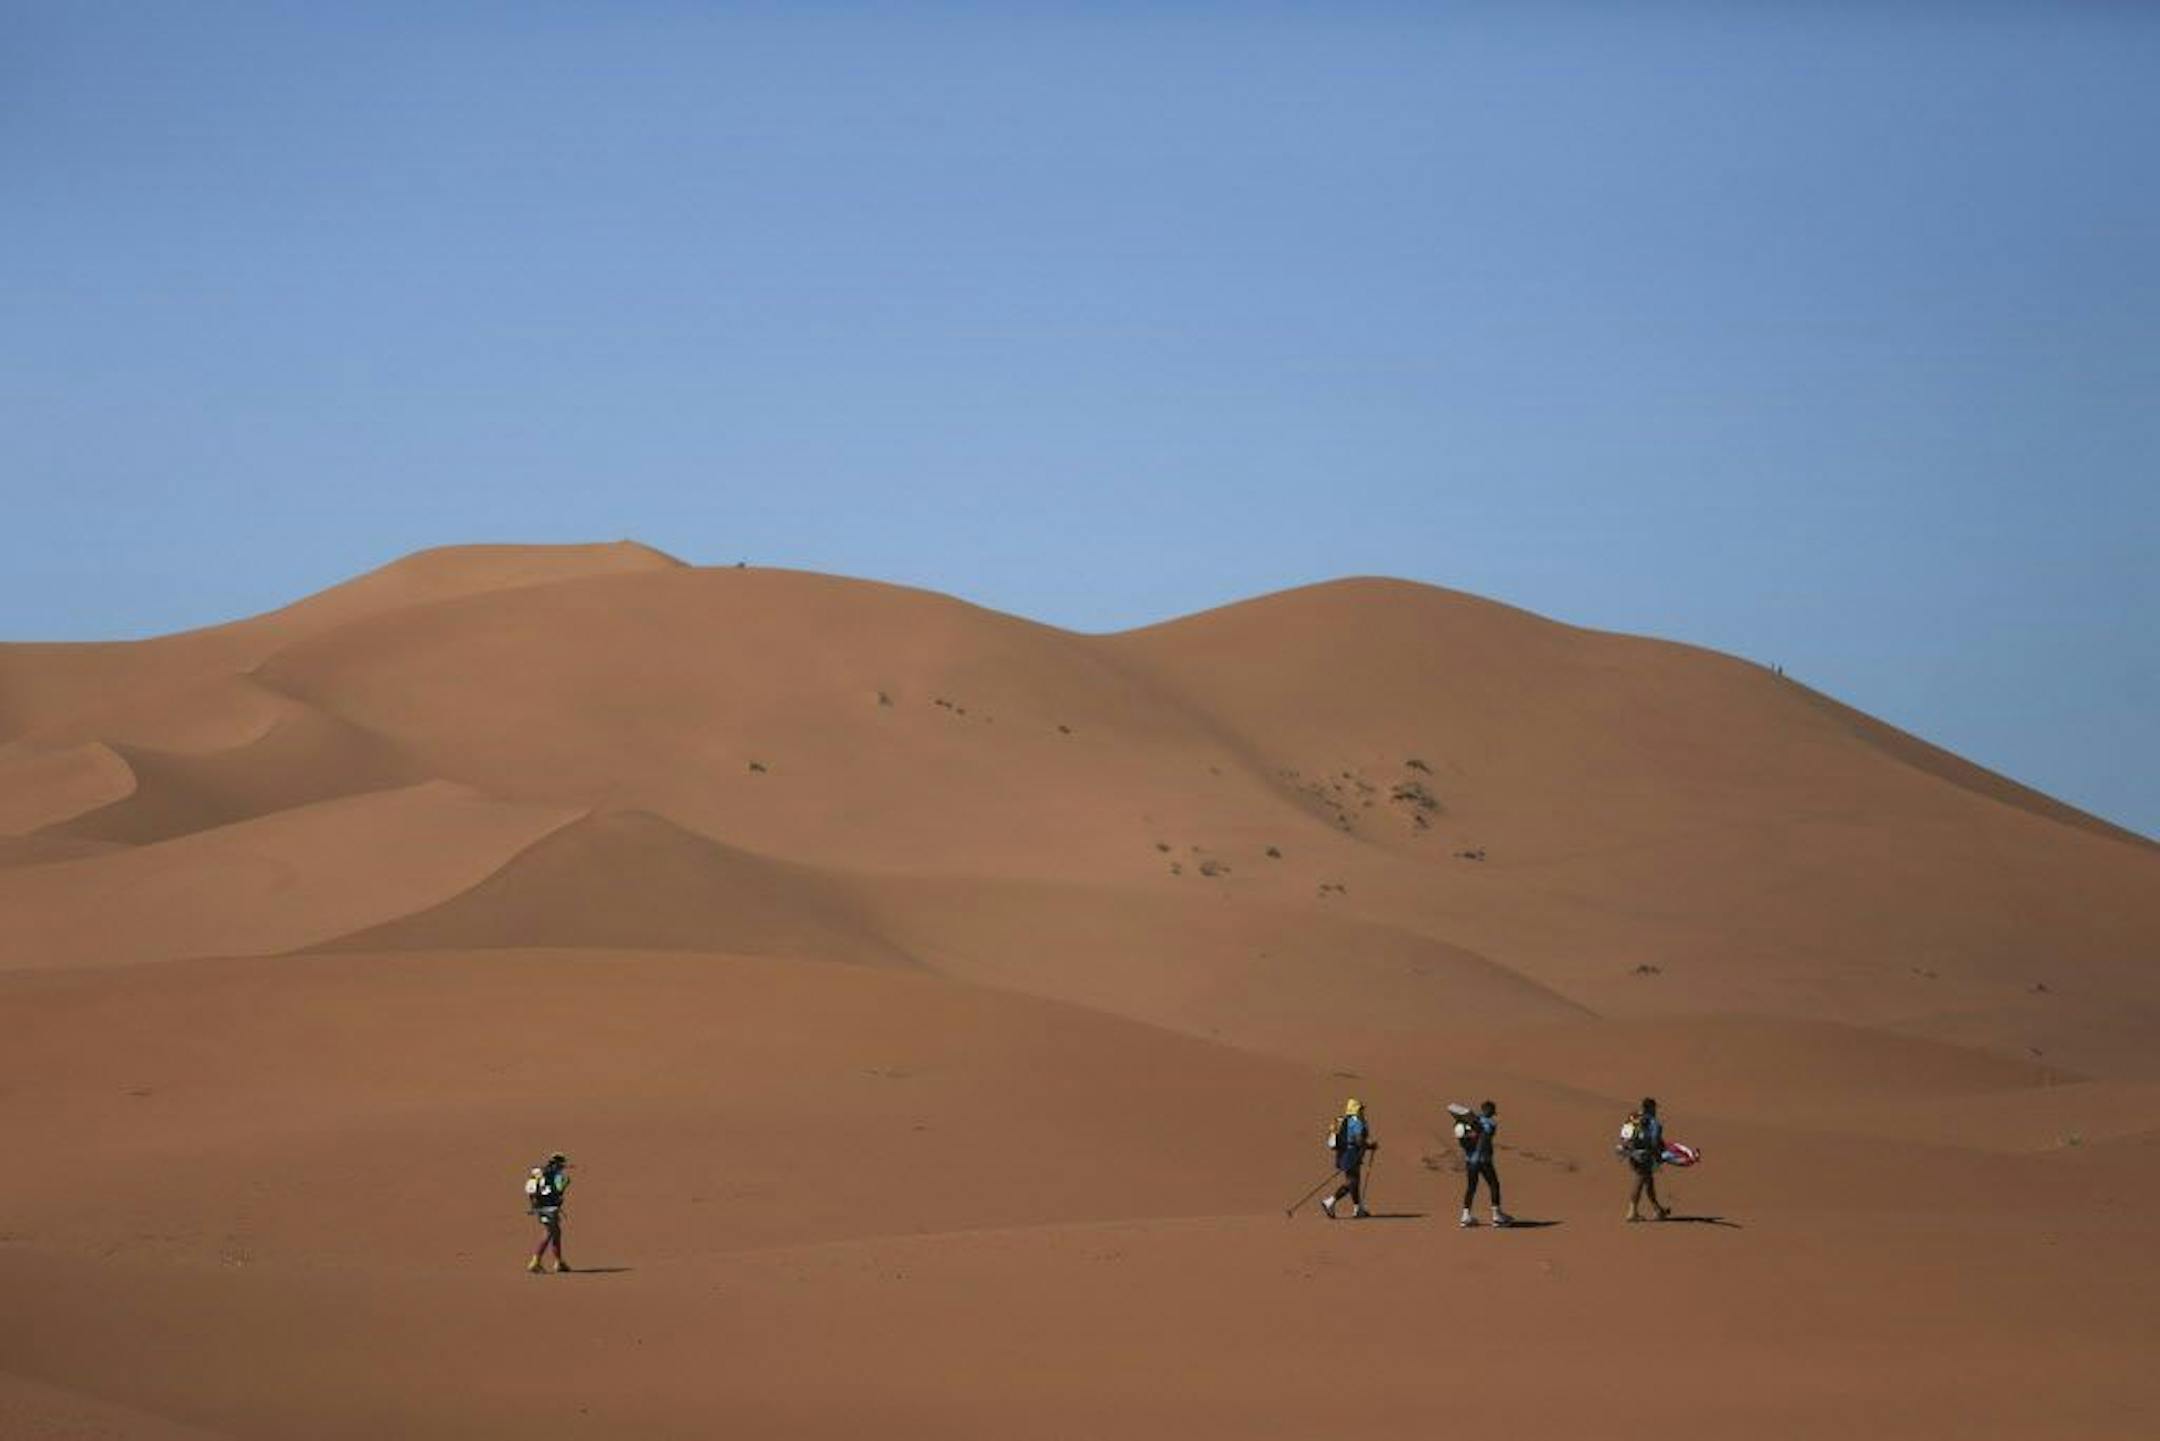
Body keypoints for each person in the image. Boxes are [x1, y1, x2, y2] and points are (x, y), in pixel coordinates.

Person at [1456, 1100, 1513, 1228]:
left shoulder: (1471, 1121)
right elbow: (1488, 1134)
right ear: (1492, 1111)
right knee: (1494, 1184)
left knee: (1471, 1187)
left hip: (1470, 1161)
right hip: (1484, 1161)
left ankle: (1465, 1216)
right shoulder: (1491, 1123)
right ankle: (1496, 1215)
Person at [1321, 1098, 1376, 1219]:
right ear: (1355, 1110)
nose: (1362, 1111)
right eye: (1360, 1109)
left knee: (1354, 1181)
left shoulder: (1345, 1120)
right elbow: (1358, 1140)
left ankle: (1357, 1209)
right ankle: (1330, 1201)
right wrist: (1370, 1146)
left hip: (1343, 1153)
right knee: (1352, 1181)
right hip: (1350, 1153)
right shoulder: (1356, 1122)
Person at [1620, 1099, 1671, 1222]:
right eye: (1655, 1108)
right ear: (1652, 1108)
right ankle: (1632, 1212)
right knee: (1640, 1179)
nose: (1656, 1111)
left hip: (1633, 1154)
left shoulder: (1633, 1118)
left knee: (1648, 1181)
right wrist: (1659, 1154)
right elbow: (1655, 1141)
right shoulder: (1654, 1123)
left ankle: (1657, 1209)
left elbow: (1624, 1136)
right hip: (1646, 1156)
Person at [526, 1151, 573, 1272]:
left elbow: (530, 1190)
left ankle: (559, 1262)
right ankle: (535, 1261)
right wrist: (566, 1182)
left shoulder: (540, 1174)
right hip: (551, 1208)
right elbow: (559, 1189)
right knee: (549, 1233)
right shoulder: (558, 1175)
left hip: (539, 1207)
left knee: (556, 1232)